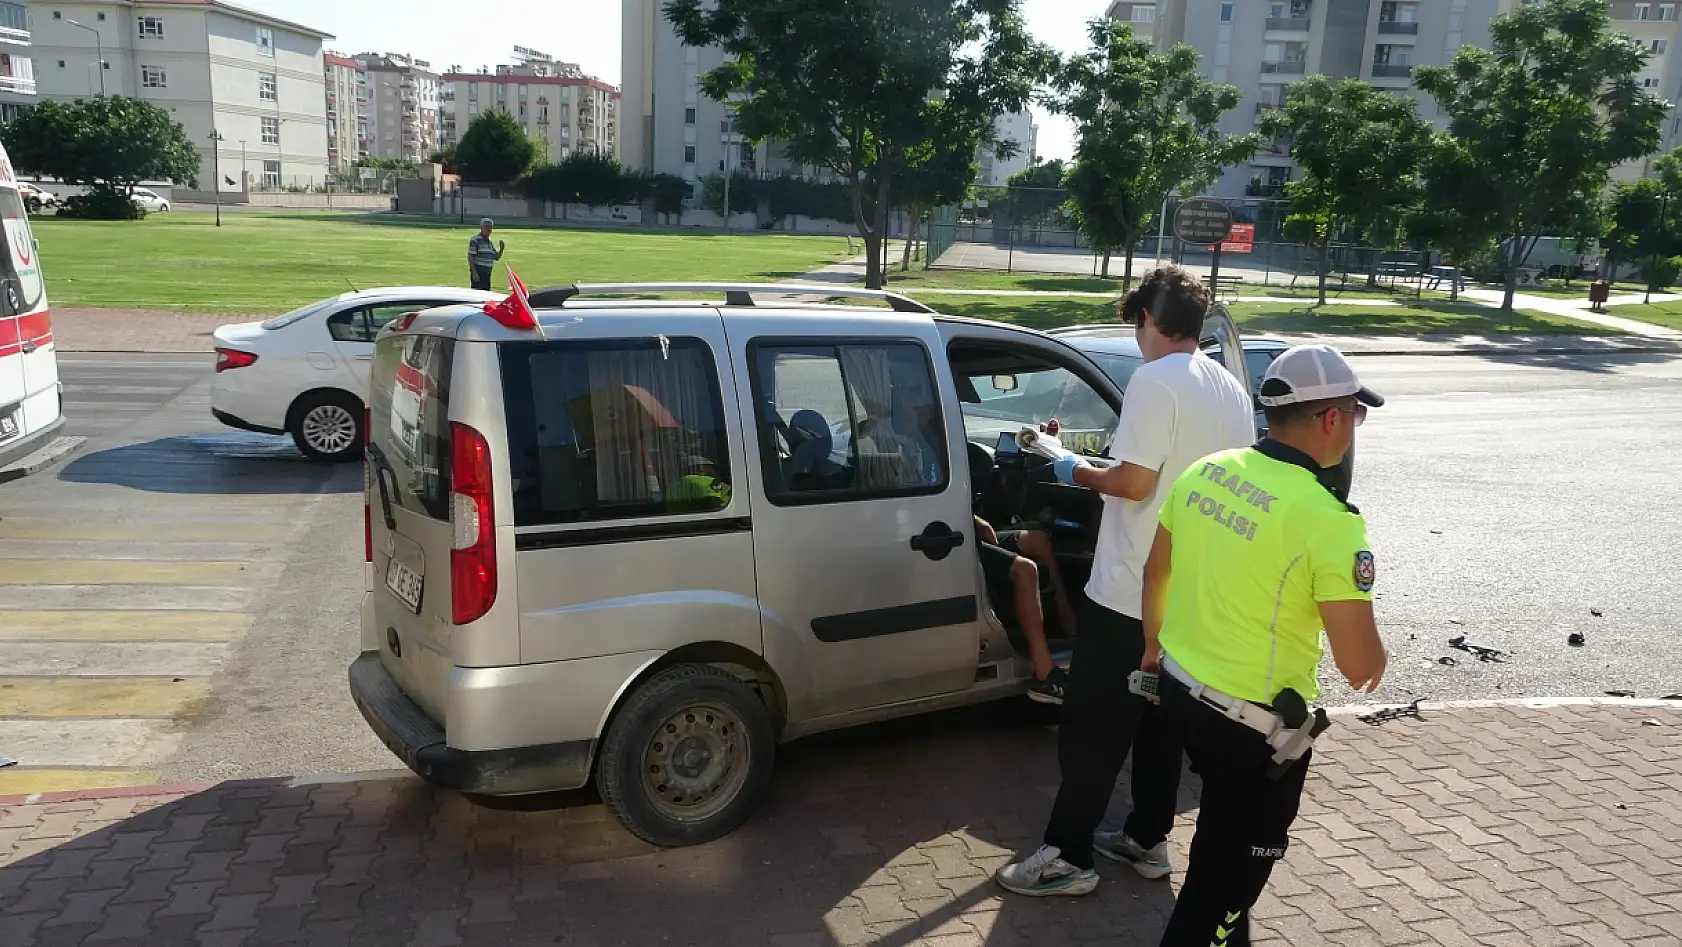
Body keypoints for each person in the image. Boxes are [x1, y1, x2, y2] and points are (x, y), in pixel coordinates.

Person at [996, 266, 1255, 897]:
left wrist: (1069, 465)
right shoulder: (1230, 390)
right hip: (1191, 594)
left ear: (1146, 318)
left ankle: (1067, 855)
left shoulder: (1154, 379)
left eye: (1135, 324)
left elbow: (1135, 485)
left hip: (1128, 590)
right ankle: (1146, 839)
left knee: (1092, 726)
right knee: (1160, 720)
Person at [1143, 344, 1387, 946]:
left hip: (1179, 692)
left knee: (1219, 851)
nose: (1355, 427)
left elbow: (1155, 573)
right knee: (1219, 897)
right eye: (1356, 414)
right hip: (1252, 734)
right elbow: (1359, 667)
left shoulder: (1208, 470)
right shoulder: (1329, 520)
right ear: (1332, 418)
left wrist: (1152, 650)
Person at [974, 514, 1077, 704]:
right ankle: (1044, 673)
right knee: (1026, 571)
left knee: (1039, 540)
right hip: (961, 540)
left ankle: (1067, 623)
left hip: (972, 530)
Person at [468, 218, 504, 291]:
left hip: (487, 274)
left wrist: (501, 249)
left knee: (486, 294)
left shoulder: (489, 242)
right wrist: (474, 273)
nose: (488, 229)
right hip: (479, 272)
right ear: (481, 227)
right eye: (486, 226)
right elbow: (470, 256)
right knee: (477, 295)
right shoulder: (475, 240)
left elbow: (496, 257)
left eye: (490, 227)